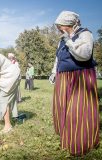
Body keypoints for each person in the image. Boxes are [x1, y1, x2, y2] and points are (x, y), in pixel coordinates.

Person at [49, 10, 99, 156]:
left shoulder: (85, 34)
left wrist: (70, 40)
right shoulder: (61, 39)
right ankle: (65, 134)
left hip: (80, 76)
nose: (59, 28)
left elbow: (84, 55)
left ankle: (81, 142)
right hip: (63, 76)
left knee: (78, 110)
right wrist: (54, 72)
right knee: (62, 106)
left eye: (61, 25)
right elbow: (58, 57)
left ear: (70, 24)